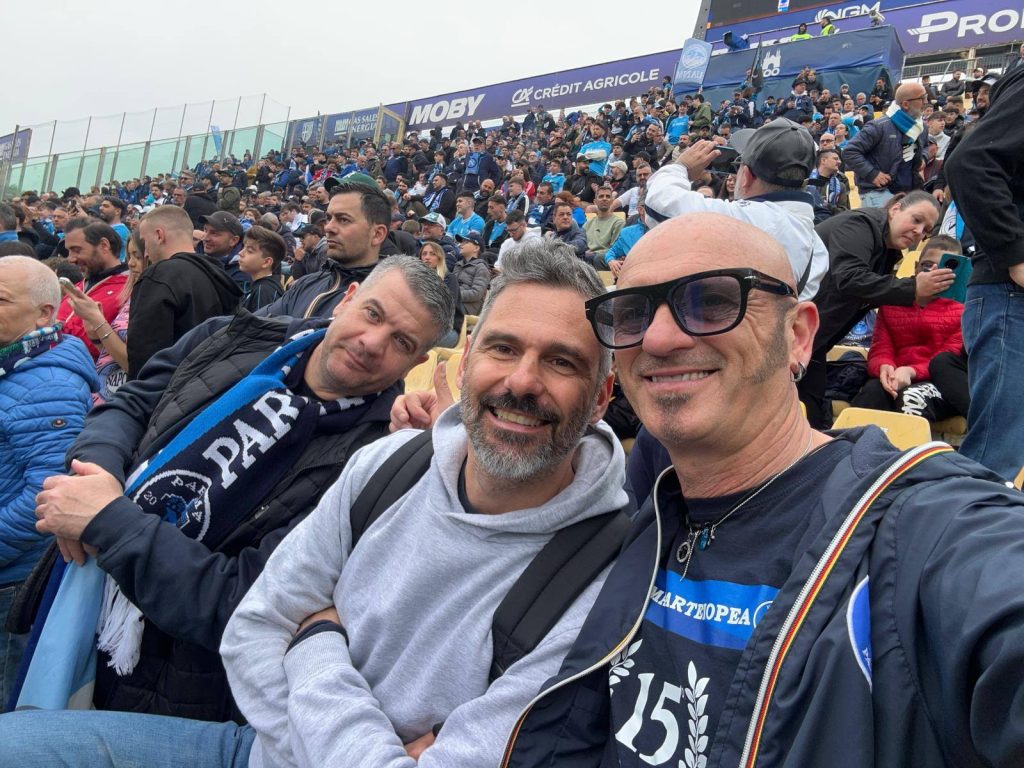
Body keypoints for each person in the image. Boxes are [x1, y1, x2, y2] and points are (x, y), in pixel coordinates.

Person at [502, 211, 1024, 768]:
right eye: (631, 313)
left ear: (797, 335)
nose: (657, 337)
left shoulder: (923, 528)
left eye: (712, 301)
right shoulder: (646, 516)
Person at [10, 256, 451, 727]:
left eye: (401, 342)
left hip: (168, 690)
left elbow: (245, 599)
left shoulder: (375, 466)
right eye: (372, 314)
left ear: (417, 362)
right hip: (71, 592)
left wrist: (105, 520)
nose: (372, 342)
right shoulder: (234, 336)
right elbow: (132, 403)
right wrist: (96, 473)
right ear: (347, 299)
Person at [0, 256, 94, 704]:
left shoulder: (48, 385)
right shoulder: (14, 364)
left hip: (12, 577)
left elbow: (47, 494)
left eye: (1, 300)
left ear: (43, 314)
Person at [799, 192, 950, 427]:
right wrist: (913, 287)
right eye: (916, 219)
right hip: (788, 333)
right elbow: (849, 278)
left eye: (926, 230)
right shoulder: (859, 224)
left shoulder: (887, 252)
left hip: (810, 341)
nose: (919, 232)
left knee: (812, 417)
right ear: (895, 209)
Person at [644, 119, 828, 300]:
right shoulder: (816, 245)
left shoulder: (744, 219)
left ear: (747, 177)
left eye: (738, 166)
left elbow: (658, 205)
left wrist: (681, 167)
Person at [946, 62, 1024, 480]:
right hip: (1011, 293)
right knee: (994, 461)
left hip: (1008, 294)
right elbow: (971, 162)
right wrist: (1016, 255)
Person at [850, 235, 965, 420]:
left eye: (944, 268)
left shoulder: (963, 310)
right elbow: (880, 348)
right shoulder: (892, 301)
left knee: (910, 398)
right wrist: (884, 367)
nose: (933, 272)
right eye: (927, 265)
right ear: (916, 266)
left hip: (936, 382)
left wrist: (911, 371)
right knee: (873, 392)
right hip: (895, 374)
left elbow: (948, 361)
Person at [128, 204, 241, 378]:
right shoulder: (218, 274)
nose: (146, 253)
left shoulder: (158, 276)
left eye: (145, 242)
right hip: (208, 384)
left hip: (166, 387)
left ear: (159, 235)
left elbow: (144, 355)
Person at [257, 178, 389, 320]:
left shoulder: (384, 301)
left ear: (377, 234)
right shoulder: (306, 284)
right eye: (329, 218)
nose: (328, 227)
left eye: (343, 219)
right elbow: (253, 324)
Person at [60, 230, 148, 404]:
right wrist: (95, 336)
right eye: (129, 256)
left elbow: (136, 365)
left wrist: (97, 322)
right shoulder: (83, 285)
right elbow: (109, 354)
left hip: (126, 399)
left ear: (104, 245)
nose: (130, 263)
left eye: (137, 256)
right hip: (98, 392)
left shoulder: (132, 293)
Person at [844, 82, 929, 208]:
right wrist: (872, 173)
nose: (926, 102)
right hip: (879, 192)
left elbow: (925, 146)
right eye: (922, 98)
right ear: (906, 104)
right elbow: (849, 151)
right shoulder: (879, 126)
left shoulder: (920, 127)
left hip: (910, 192)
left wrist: (923, 158)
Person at [58, 219, 130, 361]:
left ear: (104, 245)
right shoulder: (80, 285)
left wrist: (58, 329)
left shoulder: (127, 290)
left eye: (76, 250)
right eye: (68, 251)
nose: (71, 259)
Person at [419, 240, 463, 347]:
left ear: (440, 258)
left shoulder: (449, 278)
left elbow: (446, 308)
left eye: (432, 254)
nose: (427, 257)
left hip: (447, 331)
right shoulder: (416, 278)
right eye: (424, 254)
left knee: (414, 338)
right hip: (421, 327)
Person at [238, 226, 286, 313]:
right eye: (243, 247)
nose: (240, 253)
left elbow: (259, 321)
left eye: (249, 251)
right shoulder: (260, 286)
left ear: (266, 262)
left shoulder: (264, 291)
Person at [199, 210, 246, 290]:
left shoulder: (242, 272)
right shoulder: (194, 256)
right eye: (205, 230)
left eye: (214, 233)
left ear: (233, 240)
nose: (206, 238)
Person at [584, 185, 625, 269]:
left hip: (606, 259)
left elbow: (615, 249)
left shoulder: (618, 223)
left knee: (596, 258)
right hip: (588, 257)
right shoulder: (588, 224)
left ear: (612, 201)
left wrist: (594, 253)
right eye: (601, 196)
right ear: (595, 202)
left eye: (608, 196)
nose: (604, 199)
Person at [806, 148, 850, 223]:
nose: (839, 162)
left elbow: (844, 212)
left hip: (829, 224)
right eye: (835, 159)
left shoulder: (841, 185)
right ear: (823, 160)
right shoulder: (806, 180)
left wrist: (828, 206)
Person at [452, 230, 491, 315]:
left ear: (476, 248)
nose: (461, 245)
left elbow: (476, 294)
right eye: (461, 242)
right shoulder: (458, 264)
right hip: (453, 303)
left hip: (465, 309)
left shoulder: (481, 268)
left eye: (466, 242)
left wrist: (454, 294)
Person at [96, 197, 130, 261]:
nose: (100, 208)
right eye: (101, 205)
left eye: (106, 206)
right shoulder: (108, 228)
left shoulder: (121, 232)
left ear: (117, 211)